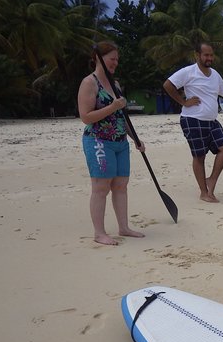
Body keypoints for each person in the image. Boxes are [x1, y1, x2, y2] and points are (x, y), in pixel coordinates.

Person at [77, 41, 145, 246]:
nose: (115, 63)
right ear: (99, 58)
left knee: (121, 185)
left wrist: (136, 139)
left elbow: (122, 117)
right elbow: (86, 117)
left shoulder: (115, 84)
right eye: (112, 58)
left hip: (120, 141)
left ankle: (123, 227)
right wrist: (113, 106)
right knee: (101, 187)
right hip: (98, 141)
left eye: (117, 59)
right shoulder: (90, 82)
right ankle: (99, 233)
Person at [163, 42, 223, 203]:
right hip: (192, 120)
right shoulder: (188, 72)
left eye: (211, 55)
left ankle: (212, 180)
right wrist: (183, 102)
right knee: (199, 156)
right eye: (206, 55)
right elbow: (168, 85)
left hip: (211, 121)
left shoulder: (215, 74)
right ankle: (204, 192)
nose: (209, 58)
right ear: (198, 55)